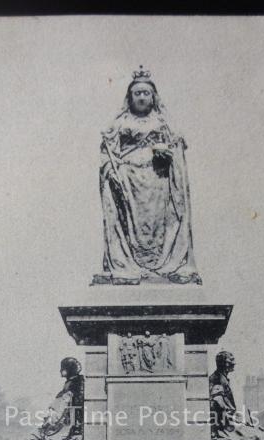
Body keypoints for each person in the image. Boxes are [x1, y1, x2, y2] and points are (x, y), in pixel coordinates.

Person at [98, 66, 200, 285]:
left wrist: (169, 152)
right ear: (130, 97)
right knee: (128, 227)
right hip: (127, 183)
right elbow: (106, 155)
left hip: (158, 181)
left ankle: (165, 264)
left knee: (160, 224)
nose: (142, 97)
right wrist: (111, 174)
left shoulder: (164, 123)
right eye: (137, 93)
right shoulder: (118, 124)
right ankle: (128, 265)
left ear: (154, 97)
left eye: (146, 93)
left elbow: (177, 147)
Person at [21, 357, 84, 440]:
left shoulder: (73, 385)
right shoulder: (71, 384)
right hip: (60, 427)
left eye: (63, 368)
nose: (61, 371)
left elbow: (61, 410)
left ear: (68, 369)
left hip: (64, 430)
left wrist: (49, 422)